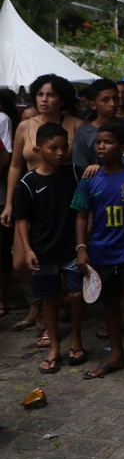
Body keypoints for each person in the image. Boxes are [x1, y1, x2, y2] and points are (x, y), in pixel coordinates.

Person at [71, 122, 124, 378]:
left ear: (123, 148)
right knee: (109, 302)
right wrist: (81, 247)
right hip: (101, 250)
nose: (101, 147)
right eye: (98, 142)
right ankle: (117, 352)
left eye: (107, 142)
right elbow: (80, 214)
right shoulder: (90, 178)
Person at [1, 74, 86, 333]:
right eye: (40, 94)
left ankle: (53, 306)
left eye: (50, 94)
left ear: (62, 99)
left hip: (63, 201)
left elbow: (82, 166)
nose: (44, 99)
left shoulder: (77, 125)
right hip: (30, 197)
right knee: (21, 262)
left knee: (60, 258)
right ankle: (38, 304)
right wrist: (8, 204)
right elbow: (16, 166)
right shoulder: (26, 126)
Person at [11, 122, 86, 372]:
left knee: (76, 295)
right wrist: (28, 249)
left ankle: (76, 336)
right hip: (43, 251)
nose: (59, 153)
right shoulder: (28, 182)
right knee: (49, 300)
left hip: (71, 248)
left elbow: (87, 203)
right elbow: (22, 220)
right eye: (53, 148)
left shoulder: (75, 173)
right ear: (38, 149)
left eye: (64, 147)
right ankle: (55, 346)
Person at [72, 79, 124, 173]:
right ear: (93, 105)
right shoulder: (84, 133)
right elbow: (80, 168)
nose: (112, 104)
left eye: (115, 99)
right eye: (105, 100)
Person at [0, 87, 18, 320]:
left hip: (1, 196)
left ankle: (2, 298)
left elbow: (7, 158)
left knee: (1, 250)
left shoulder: (2, 119)